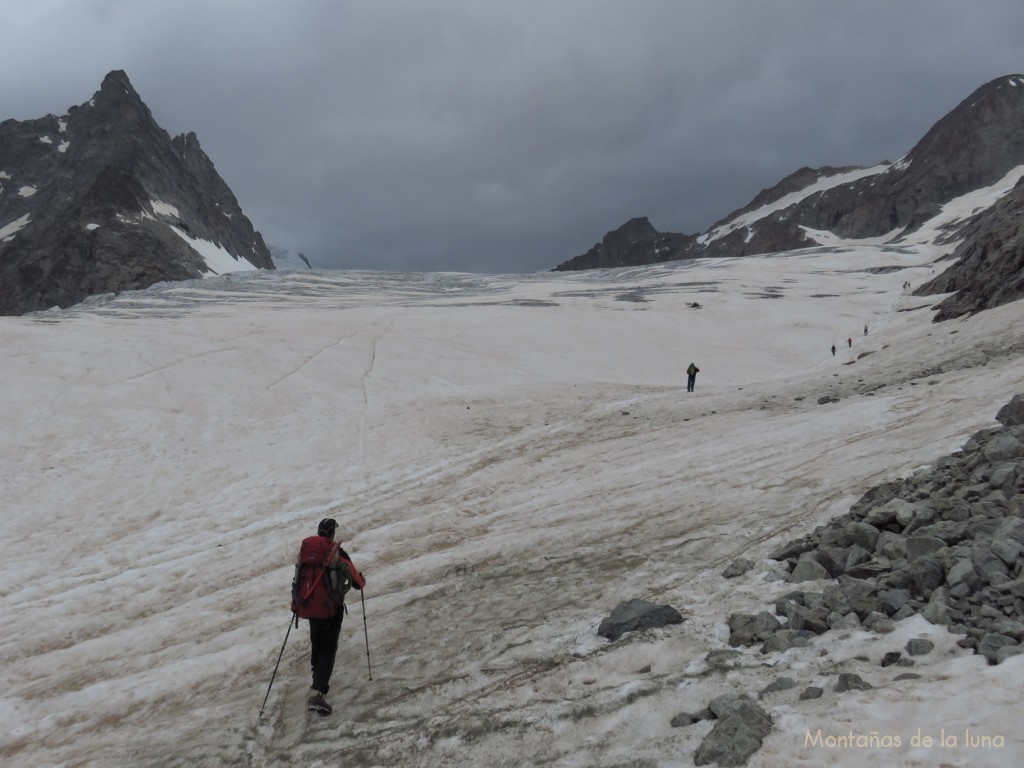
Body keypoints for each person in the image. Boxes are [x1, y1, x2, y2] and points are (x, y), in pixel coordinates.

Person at [300, 518, 366, 715]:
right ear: (332, 534)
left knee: (317, 642)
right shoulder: (336, 552)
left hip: (310, 606)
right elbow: (356, 581)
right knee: (328, 648)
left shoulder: (307, 552)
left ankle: (316, 679)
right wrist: (361, 581)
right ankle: (317, 693)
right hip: (330, 609)